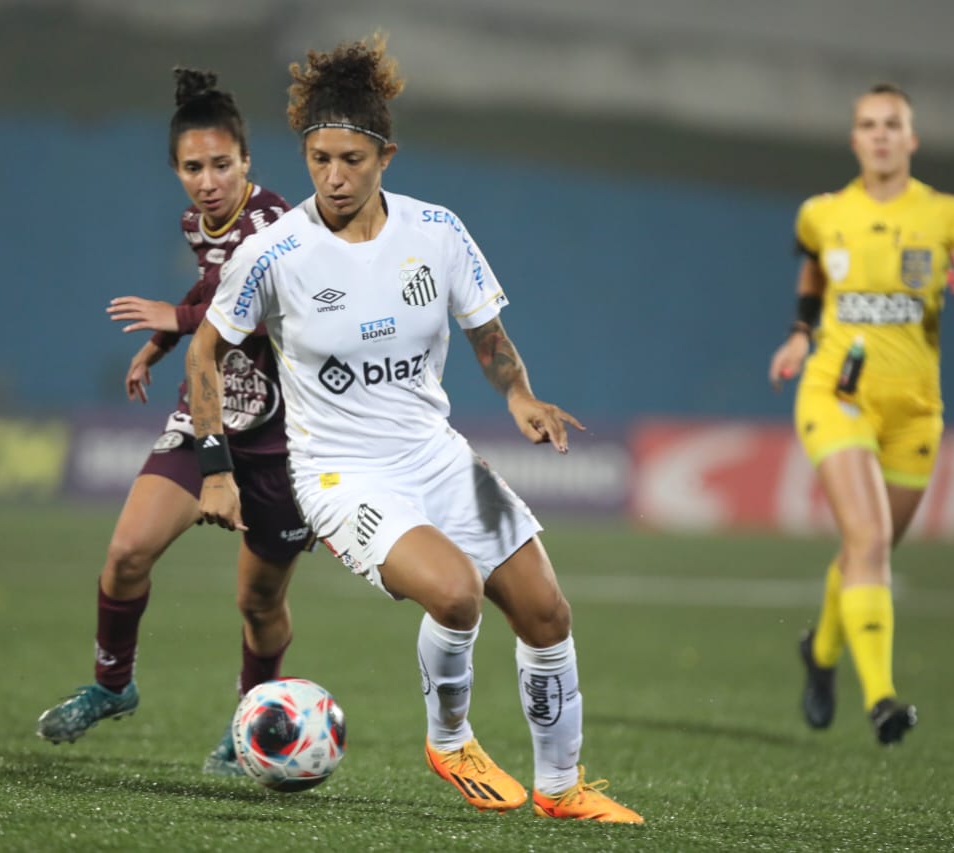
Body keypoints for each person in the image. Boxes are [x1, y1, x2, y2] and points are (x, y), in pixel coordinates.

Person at [184, 35, 642, 822]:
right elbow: (205, 353)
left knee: (545, 610)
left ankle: (562, 788)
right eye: (319, 158)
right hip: (342, 474)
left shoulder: (436, 231)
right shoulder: (274, 252)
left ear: (385, 155)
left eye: (351, 159)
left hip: (437, 457)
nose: (333, 176)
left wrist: (520, 396)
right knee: (456, 592)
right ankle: (450, 738)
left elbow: (487, 337)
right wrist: (215, 463)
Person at [37, 68, 311, 776]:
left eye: (222, 164)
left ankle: (250, 720)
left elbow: (251, 307)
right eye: (194, 167)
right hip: (205, 413)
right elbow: (212, 286)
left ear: (247, 161)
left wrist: (177, 321)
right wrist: (162, 344)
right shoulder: (199, 221)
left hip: (280, 438)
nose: (208, 180)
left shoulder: (278, 223)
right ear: (176, 170)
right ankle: (111, 683)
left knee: (257, 601)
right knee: (126, 553)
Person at [768, 82, 954, 745]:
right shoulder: (823, 213)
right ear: (855, 139)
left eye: (893, 123)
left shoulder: (950, 216)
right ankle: (883, 698)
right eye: (869, 124)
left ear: (912, 138)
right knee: (867, 541)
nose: (881, 134)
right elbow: (813, 270)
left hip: (915, 413)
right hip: (836, 396)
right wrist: (801, 333)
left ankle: (823, 652)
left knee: (868, 548)